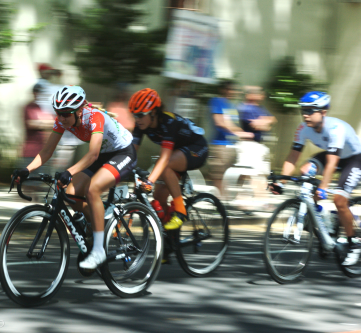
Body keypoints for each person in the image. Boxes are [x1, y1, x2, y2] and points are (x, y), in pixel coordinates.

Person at [18, 85, 136, 269]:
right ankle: (98, 224)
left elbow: (93, 155)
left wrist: (69, 171)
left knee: (92, 189)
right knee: (71, 194)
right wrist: (27, 169)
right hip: (104, 154)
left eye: (66, 113)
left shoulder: (94, 117)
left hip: (122, 152)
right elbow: (47, 150)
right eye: (58, 113)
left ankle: (98, 250)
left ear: (79, 111)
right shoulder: (62, 121)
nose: (61, 118)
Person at [270, 91, 361, 266]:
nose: (306, 115)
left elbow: (332, 163)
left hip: (355, 159)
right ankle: (320, 217)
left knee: (340, 200)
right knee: (306, 170)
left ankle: (353, 243)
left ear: (324, 112)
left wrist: (323, 187)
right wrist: (281, 181)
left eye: (311, 111)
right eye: (304, 110)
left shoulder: (336, 129)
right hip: (331, 155)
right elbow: (293, 157)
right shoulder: (303, 129)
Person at [129, 88, 208, 233]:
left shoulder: (168, 121)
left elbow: (164, 158)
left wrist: (149, 182)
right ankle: (167, 248)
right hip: (176, 153)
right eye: (134, 115)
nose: (137, 119)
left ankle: (180, 210)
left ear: (153, 112)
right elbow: (131, 153)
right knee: (158, 199)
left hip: (197, 148)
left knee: (165, 166)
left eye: (140, 115)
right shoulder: (141, 125)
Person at [207, 79, 253, 199]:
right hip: (220, 146)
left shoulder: (231, 105)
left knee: (242, 173)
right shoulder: (217, 101)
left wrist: (242, 134)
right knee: (219, 176)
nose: (233, 92)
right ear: (223, 90)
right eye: (230, 89)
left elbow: (232, 124)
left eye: (234, 89)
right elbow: (220, 122)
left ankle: (234, 200)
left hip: (233, 145)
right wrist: (241, 134)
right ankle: (218, 203)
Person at [236, 86, 277, 209]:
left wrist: (265, 122)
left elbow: (272, 119)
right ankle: (244, 202)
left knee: (261, 174)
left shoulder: (259, 108)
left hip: (258, 145)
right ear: (250, 95)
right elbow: (257, 125)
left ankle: (260, 201)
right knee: (250, 174)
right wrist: (265, 123)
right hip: (249, 145)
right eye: (258, 93)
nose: (262, 96)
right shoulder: (245, 108)